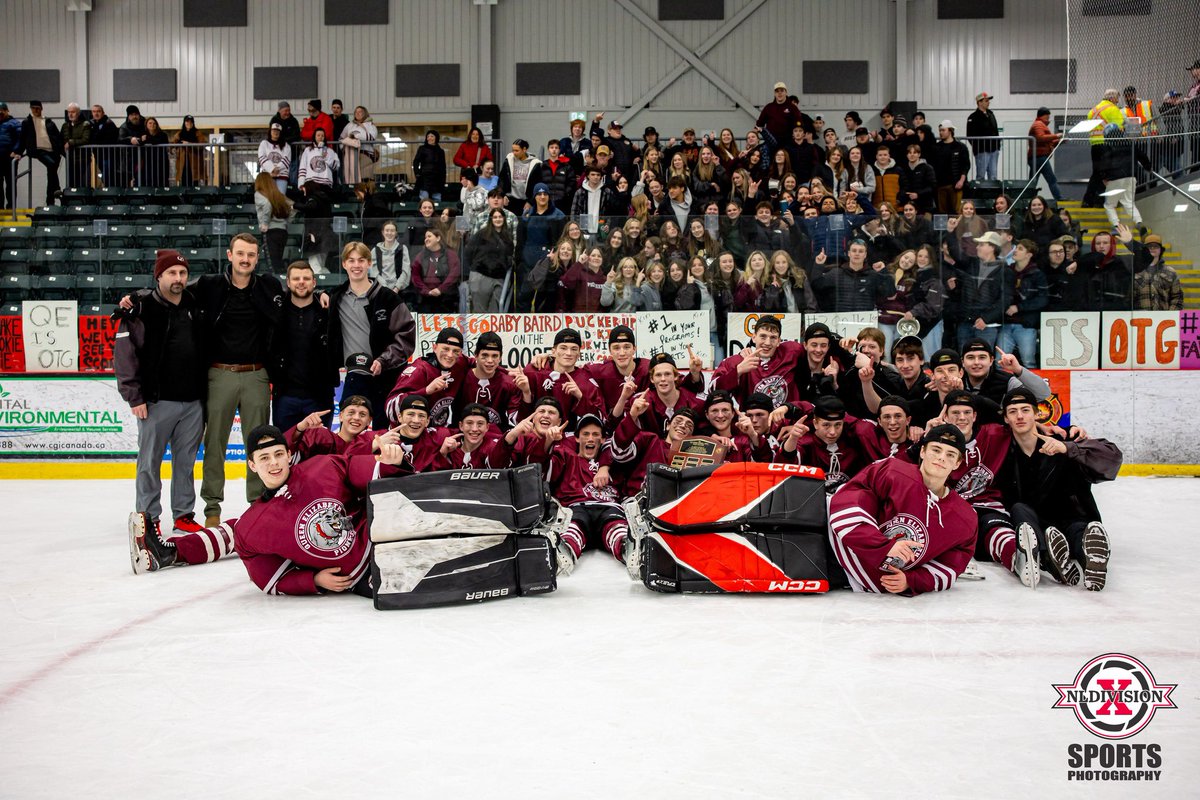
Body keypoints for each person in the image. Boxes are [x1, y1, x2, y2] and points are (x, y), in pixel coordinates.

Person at [129, 423, 413, 596]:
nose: (274, 463)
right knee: (240, 529)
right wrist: (312, 580)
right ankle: (169, 552)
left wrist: (391, 462)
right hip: (362, 574)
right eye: (264, 458)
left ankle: (168, 552)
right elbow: (269, 578)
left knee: (239, 528)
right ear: (251, 465)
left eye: (279, 454)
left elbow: (366, 470)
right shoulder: (253, 524)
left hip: (386, 537)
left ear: (289, 454)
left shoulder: (323, 466)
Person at [185, 234, 285, 526]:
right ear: (229, 255)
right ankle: (212, 508)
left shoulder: (268, 285)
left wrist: (320, 296)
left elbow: (291, 304)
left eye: (251, 255)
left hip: (256, 375)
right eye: (240, 253)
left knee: (259, 445)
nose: (245, 259)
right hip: (219, 374)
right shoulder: (209, 285)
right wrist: (137, 298)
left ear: (256, 258)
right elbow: (174, 294)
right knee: (215, 443)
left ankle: (257, 502)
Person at [114, 250, 207, 541]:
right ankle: (148, 518)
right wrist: (134, 396)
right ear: (159, 276)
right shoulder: (140, 308)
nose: (178, 278)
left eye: (182, 273)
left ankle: (183, 515)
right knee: (149, 463)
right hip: (155, 401)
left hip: (193, 401)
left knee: (186, 463)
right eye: (171, 273)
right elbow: (125, 356)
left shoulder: (194, 302)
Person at [827, 424, 977, 595]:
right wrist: (884, 547)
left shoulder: (966, 518)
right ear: (922, 451)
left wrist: (912, 580)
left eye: (950, 454)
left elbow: (952, 565)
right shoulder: (891, 471)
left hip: (876, 586)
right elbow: (845, 502)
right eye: (936, 450)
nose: (941, 458)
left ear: (958, 463)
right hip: (835, 551)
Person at [998, 387, 1122, 592]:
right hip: (1040, 527)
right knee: (1019, 509)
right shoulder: (1003, 452)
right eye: (1013, 411)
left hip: (1073, 516)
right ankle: (1051, 560)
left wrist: (1068, 448)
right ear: (1006, 419)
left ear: (1037, 414)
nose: (1019, 416)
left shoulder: (1065, 439)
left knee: (1078, 531)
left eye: (1025, 410)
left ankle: (1091, 563)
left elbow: (1113, 458)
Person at [329, 241, 417, 428]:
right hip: (355, 376)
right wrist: (319, 295)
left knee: (384, 432)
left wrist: (384, 360)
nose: (356, 265)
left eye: (361, 260)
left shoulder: (388, 298)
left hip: (385, 377)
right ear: (344, 264)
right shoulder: (336, 297)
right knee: (350, 434)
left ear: (369, 263)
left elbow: (407, 334)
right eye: (351, 260)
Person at [270, 261, 338, 433]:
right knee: (285, 452)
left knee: (319, 453)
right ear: (288, 282)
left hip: (319, 397)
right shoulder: (276, 311)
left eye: (306, 278)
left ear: (314, 282)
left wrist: (325, 293)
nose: (301, 282)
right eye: (296, 278)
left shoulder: (328, 311)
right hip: (285, 396)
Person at [998, 240, 1047, 367]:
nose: (1015, 250)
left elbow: (1042, 299)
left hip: (1026, 324)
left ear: (1029, 254)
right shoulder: (1007, 271)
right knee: (1000, 362)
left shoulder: (1038, 274)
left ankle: (1030, 387)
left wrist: (1019, 307)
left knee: (1028, 362)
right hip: (1006, 322)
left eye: (1020, 249)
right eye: (1016, 248)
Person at [1098, 124, 1152, 235]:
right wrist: (1148, 167)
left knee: (1109, 205)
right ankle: (1138, 222)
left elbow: (1103, 163)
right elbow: (1142, 156)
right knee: (1129, 202)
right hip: (1130, 177)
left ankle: (1116, 226)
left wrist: (1103, 176)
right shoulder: (1129, 143)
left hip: (1114, 178)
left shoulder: (1107, 146)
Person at [10, 100, 63, 203]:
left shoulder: (49, 122)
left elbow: (57, 137)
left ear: (41, 108)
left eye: (37, 108)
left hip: (52, 151)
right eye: (33, 108)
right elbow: (22, 139)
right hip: (38, 150)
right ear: (31, 109)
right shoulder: (27, 122)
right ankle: (57, 188)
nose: (35, 110)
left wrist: (63, 152)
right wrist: (18, 152)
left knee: (51, 175)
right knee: (52, 166)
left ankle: (50, 202)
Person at [1083, 89, 1127, 207]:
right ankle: (1097, 201)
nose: (1117, 101)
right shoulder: (1112, 109)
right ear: (1112, 98)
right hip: (1106, 145)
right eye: (1117, 98)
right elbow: (1118, 128)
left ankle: (1089, 201)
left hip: (1094, 144)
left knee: (1097, 173)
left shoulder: (1093, 111)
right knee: (1108, 173)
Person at [465, 207, 514, 313]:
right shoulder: (481, 234)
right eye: (495, 217)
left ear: (504, 219)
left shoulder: (508, 237)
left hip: (499, 277)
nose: (498, 219)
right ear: (491, 219)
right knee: (479, 311)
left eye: (500, 217)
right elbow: (468, 252)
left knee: (496, 313)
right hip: (481, 275)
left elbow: (509, 256)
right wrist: (475, 267)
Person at [1127, 232, 1183, 310]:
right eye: (1149, 247)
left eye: (1156, 246)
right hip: (1140, 320)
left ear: (1161, 250)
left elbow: (1177, 298)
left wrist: (1170, 316)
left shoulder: (1170, 272)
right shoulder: (1135, 271)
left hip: (1164, 319)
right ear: (1144, 250)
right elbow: (1128, 299)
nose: (1152, 248)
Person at [410, 228, 461, 313]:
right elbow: (415, 276)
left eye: (429, 236)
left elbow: (454, 274)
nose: (426, 239)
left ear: (438, 238)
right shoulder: (420, 256)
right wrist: (427, 291)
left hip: (446, 297)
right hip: (425, 298)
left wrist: (440, 289)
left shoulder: (450, 254)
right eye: (425, 237)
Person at [254, 172, 292, 274]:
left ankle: (276, 286)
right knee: (278, 262)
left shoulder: (259, 194)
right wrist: (286, 223)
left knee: (272, 264)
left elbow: (267, 205)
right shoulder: (277, 194)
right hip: (282, 232)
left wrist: (265, 223)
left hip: (270, 232)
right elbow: (292, 208)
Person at [933, 120, 970, 214]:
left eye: (943, 130)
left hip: (955, 184)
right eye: (940, 130)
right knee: (942, 212)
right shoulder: (936, 147)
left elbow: (965, 166)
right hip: (940, 185)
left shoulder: (960, 147)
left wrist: (961, 181)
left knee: (956, 211)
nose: (941, 133)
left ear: (950, 131)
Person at [1027, 107, 1063, 202]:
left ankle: (1028, 198)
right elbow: (1041, 137)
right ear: (1043, 115)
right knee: (1051, 180)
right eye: (1047, 116)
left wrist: (1057, 142)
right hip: (1040, 157)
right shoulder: (1039, 124)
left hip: (1035, 157)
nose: (1048, 118)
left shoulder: (1039, 124)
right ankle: (1059, 199)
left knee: (1032, 182)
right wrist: (1056, 136)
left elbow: (1045, 142)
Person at [498, 139, 541, 213]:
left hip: (525, 201)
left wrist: (530, 202)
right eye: (513, 150)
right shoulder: (509, 160)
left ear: (524, 149)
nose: (514, 153)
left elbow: (536, 185)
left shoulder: (535, 164)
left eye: (517, 150)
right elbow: (502, 179)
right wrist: (503, 195)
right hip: (510, 199)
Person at [340, 105, 378, 184]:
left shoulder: (370, 125)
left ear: (365, 113)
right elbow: (341, 139)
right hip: (351, 155)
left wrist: (355, 137)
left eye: (360, 112)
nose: (357, 113)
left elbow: (371, 137)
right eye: (356, 112)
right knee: (351, 178)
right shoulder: (349, 125)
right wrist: (344, 147)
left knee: (364, 178)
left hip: (365, 154)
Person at [965, 92, 1000, 180]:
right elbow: (970, 136)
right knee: (981, 175)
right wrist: (978, 147)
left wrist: (997, 145)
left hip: (994, 149)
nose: (988, 102)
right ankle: (980, 194)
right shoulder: (973, 117)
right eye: (986, 100)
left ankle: (992, 193)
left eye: (988, 101)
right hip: (982, 150)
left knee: (993, 176)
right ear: (979, 102)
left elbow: (995, 131)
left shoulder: (991, 114)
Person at [897, 143, 936, 214]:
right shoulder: (903, 169)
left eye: (914, 153)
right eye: (909, 153)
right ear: (907, 155)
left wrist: (918, 194)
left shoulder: (927, 168)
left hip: (925, 206)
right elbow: (902, 186)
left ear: (919, 154)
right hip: (907, 206)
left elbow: (932, 187)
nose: (912, 155)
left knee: (925, 224)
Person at [60, 102, 91, 190]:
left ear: (78, 112)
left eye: (73, 112)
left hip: (83, 159)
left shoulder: (85, 124)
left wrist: (70, 142)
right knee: (71, 183)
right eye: (69, 112)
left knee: (84, 183)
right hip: (70, 159)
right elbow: (61, 140)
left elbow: (86, 139)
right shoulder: (65, 126)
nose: (70, 114)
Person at [411, 129, 446, 201]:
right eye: (428, 136)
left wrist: (443, 180)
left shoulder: (440, 151)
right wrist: (417, 173)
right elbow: (416, 162)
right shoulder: (422, 149)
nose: (429, 138)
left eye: (432, 136)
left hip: (437, 179)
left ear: (436, 138)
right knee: (424, 200)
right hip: (424, 178)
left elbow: (443, 167)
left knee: (437, 200)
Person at [258, 123, 290, 193]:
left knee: (280, 198)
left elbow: (287, 159)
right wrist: (272, 169)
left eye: (278, 131)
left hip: (282, 175)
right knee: (268, 198)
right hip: (268, 175)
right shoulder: (264, 143)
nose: (276, 132)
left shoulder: (286, 145)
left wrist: (277, 168)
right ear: (270, 131)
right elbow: (261, 157)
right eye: (274, 130)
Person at [0, 103, 21, 208]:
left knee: (11, 184)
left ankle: (11, 207)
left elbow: (21, 138)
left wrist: (16, 151)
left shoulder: (14, 123)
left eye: (2, 110)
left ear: (7, 111)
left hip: (9, 159)